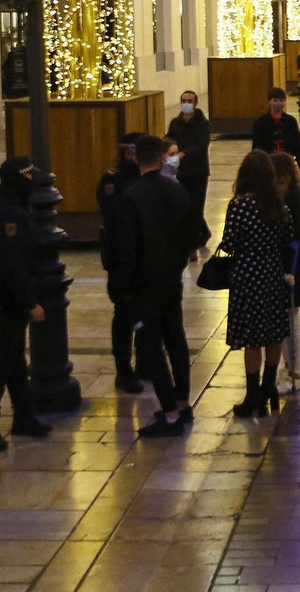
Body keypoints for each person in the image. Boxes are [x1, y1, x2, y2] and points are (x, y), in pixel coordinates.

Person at [109, 135, 199, 437]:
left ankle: (170, 412)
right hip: (172, 278)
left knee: (150, 345)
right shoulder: (177, 190)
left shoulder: (132, 196)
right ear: (162, 158)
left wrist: (123, 290)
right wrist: (179, 262)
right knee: (176, 337)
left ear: (136, 158)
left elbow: (125, 248)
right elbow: (194, 233)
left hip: (145, 284)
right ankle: (183, 401)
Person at [0, 158, 52, 450]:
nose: (33, 181)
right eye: (29, 176)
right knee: (3, 362)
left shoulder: (3, 205)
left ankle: (23, 417)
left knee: (15, 360)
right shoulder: (9, 213)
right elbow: (11, 264)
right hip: (7, 300)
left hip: (4, 296)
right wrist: (30, 302)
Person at [223, 150, 298, 419]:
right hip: (272, 272)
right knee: (274, 333)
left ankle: (253, 394)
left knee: (253, 339)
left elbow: (229, 242)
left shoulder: (239, 205)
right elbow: (289, 236)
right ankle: (270, 386)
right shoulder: (279, 205)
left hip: (247, 275)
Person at [97, 133, 144, 393]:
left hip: (142, 258)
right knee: (124, 316)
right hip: (121, 260)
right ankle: (123, 370)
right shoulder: (112, 180)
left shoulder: (143, 178)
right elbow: (114, 215)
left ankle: (144, 364)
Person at [269, 151, 300, 391]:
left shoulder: (291, 196)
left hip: (291, 260)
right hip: (288, 259)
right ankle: (285, 368)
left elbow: (290, 232)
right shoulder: (288, 193)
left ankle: (292, 370)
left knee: (289, 319)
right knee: (286, 318)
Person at [166, 90, 213, 248]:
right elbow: (169, 137)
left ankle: (195, 241)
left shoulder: (203, 124)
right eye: (184, 100)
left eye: (189, 101)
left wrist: (184, 153)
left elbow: (202, 145)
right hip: (180, 171)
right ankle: (203, 232)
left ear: (195, 103)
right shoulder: (175, 122)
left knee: (196, 206)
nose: (186, 103)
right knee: (185, 206)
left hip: (198, 171)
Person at [251, 87, 300, 169]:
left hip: (287, 164)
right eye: (275, 101)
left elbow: (298, 147)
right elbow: (256, 148)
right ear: (269, 102)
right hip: (268, 164)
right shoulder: (261, 123)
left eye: (281, 100)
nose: (279, 103)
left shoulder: (290, 121)